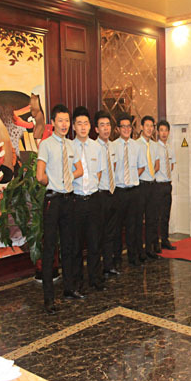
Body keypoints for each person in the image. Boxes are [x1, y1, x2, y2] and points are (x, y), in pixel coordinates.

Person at [36, 104, 83, 314]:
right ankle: (49, 298)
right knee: (49, 249)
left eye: (67, 121)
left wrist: (67, 178)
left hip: (68, 200)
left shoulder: (71, 145)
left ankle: (69, 289)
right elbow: (40, 176)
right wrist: (54, 181)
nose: (64, 124)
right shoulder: (46, 145)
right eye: (60, 120)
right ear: (53, 122)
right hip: (53, 201)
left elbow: (79, 170)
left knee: (69, 246)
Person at [71, 106, 106, 293]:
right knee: (76, 245)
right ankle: (78, 282)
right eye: (79, 123)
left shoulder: (97, 147)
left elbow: (98, 174)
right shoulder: (69, 147)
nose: (83, 127)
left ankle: (95, 279)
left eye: (86, 123)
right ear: (74, 127)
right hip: (75, 201)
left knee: (95, 243)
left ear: (90, 126)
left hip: (93, 200)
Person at [112, 113, 146, 267]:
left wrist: (131, 177)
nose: (126, 129)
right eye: (123, 127)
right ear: (118, 129)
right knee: (117, 227)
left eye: (129, 126)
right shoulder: (112, 146)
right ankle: (117, 259)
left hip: (133, 191)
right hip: (118, 192)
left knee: (133, 226)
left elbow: (141, 167)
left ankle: (133, 257)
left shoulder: (137, 146)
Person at [94, 111, 119, 278]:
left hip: (112, 193)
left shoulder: (113, 146)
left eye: (108, 125)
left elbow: (114, 167)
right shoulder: (93, 147)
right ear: (96, 129)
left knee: (111, 232)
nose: (106, 128)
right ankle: (97, 270)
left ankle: (108, 266)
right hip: (99, 195)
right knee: (98, 234)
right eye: (102, 125)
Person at [136, 115, 160, 260]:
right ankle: (140, 251)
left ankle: (150, 248)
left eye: (152, 126)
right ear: (141, 127)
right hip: (141, 186)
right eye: (147, 126)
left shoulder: (155, 145)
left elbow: (157, 165)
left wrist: (151, 174)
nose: (150, 129)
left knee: (152, 219)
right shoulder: (135, 145)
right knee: (139, 220)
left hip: (152, 185)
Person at [154, 119, 176, 251]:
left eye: (166, 130)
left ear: (168, 132)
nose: (163, 133)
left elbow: (172, 166)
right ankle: (155, 242)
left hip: (168, 185)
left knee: (166, 214)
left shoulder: (170, 148)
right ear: (157, 132)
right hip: (157, 185)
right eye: (161, 130)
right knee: (157, 215)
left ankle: (165, 240)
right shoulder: (154, 147)